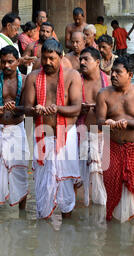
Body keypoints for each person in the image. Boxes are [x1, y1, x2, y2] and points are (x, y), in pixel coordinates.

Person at [23, 39, 82, 220]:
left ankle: (67, 228)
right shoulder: (33, 77)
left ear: (61, 57)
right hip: (43, 135)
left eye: (52, 58)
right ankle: (44, 227)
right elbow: (26, 107)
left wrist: (58, 108)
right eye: (44, 58)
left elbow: (76, 108)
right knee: (43, 184)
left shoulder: (72, 76)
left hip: (66, 136)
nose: (47, 62)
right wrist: (35, 109)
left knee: (65, 184)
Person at [96, 56, 134, 222]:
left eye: (118, 72)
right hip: (111, 147)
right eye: (112, 71)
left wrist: (126, 123)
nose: (113, 75)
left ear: (130, 75)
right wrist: (108, 123)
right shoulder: (103, 94)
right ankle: (114, 229)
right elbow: (99, 123)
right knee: (111, 185)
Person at [0, 46, 29, 211]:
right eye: (3, 62)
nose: (7, 66)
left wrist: (15, 108)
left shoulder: (25, 80)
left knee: (19, 170)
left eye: (10, 62)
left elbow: (26, 108)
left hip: (17, 129)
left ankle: (22, 211)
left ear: (18, 61)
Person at [78, 47, 110, 206]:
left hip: (102, 135)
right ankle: (81, 212)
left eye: (86, 59)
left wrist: (103, 110)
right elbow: (64, 105)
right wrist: (78, 108)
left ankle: (99, 213)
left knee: (101, 175)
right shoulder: (75, 80)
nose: (82, 62)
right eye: (80, 59)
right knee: (78, 177)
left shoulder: (109, 81)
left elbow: (118, 110)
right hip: (80, 134)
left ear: (97, 62)